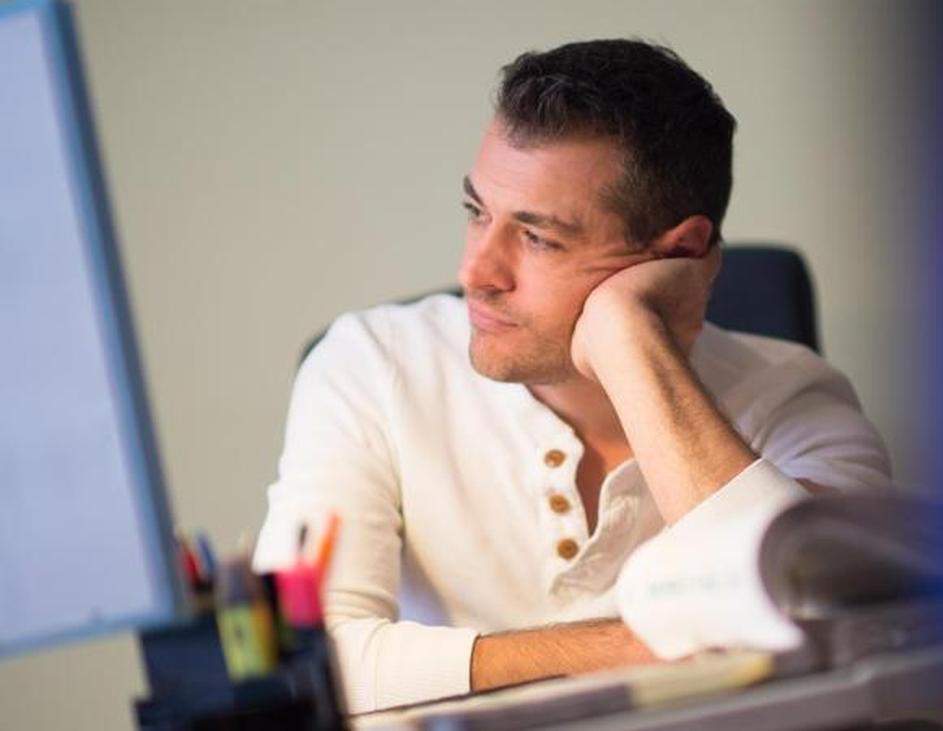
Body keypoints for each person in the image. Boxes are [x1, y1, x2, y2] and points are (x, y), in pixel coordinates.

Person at [253, 38, 891, 713]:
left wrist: (626, 334)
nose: (476, 272)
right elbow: (298, 668)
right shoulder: (371, 363)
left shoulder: (795, 398)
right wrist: (627, 647)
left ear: (680, 253)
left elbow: (819, 616)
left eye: (538, 238)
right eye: (477, 213)